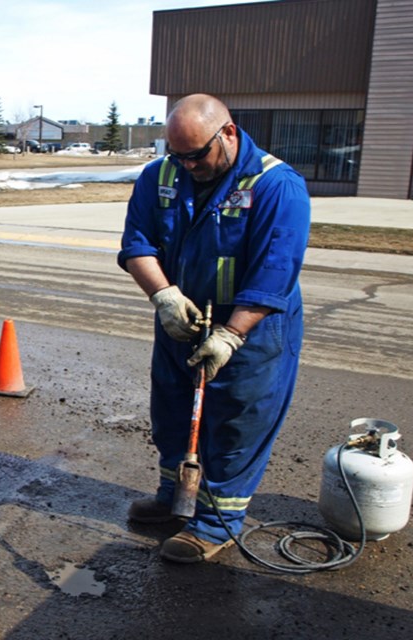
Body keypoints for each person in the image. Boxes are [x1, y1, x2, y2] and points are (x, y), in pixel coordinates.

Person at [118, 94, 310, 563]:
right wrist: (164, 297)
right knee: (171, 412)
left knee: (233, 424)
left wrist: (231, 335)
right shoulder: (159, 175)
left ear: (227, 133)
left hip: (250, 331)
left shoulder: (275, 185)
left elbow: (273, 274)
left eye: (196, 155)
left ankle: (215, 522)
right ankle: (174, 499)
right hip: (181, 320)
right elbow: (137, 244)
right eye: (177, 155)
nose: (187, 165)